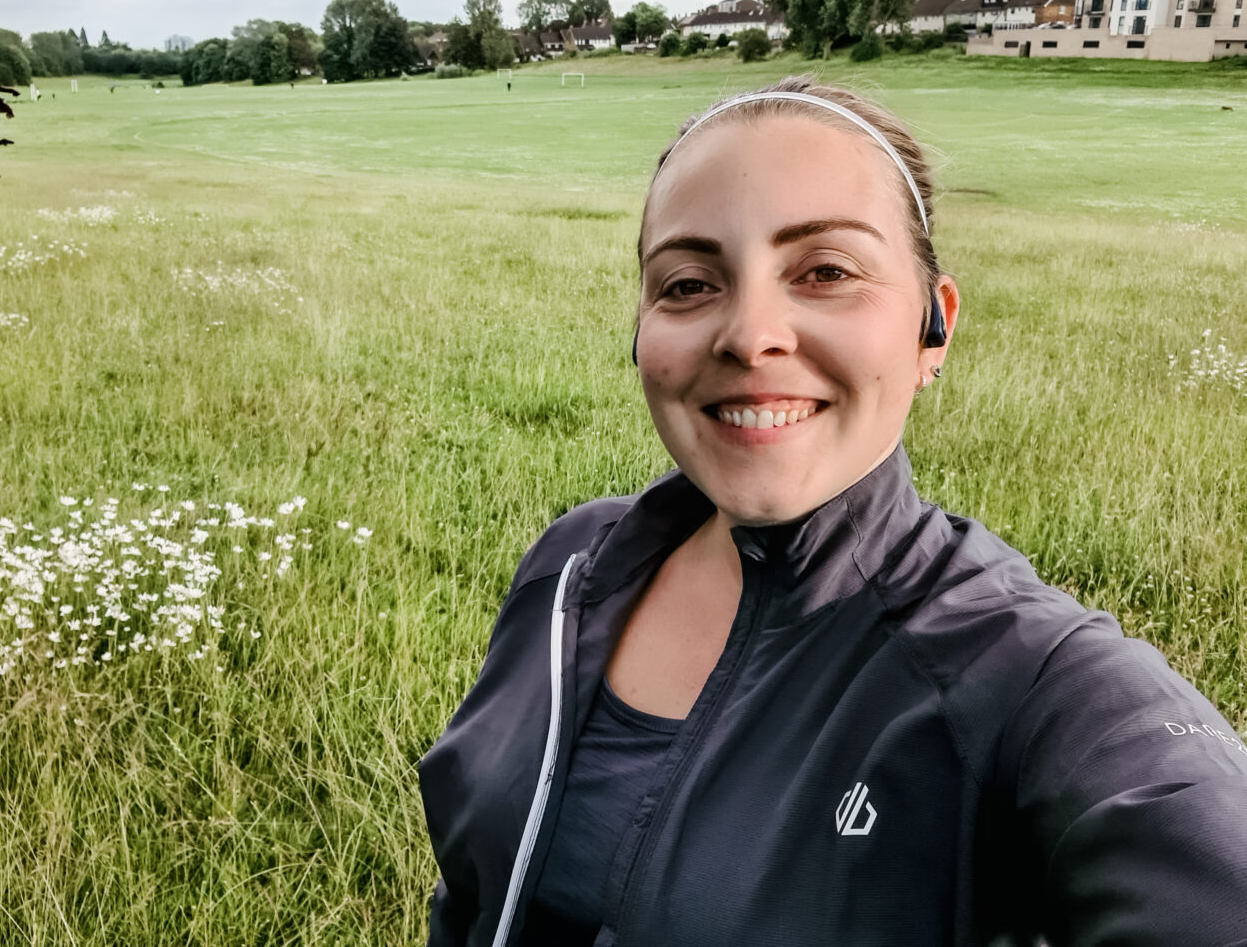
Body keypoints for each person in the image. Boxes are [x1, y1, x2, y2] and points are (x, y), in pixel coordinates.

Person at [416, 74, 1247, 947]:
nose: (749, 334)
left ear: (935, 327)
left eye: (826, 271)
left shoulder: (1027, 681)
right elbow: (470, 895)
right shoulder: (575, 565)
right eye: (690, 283)